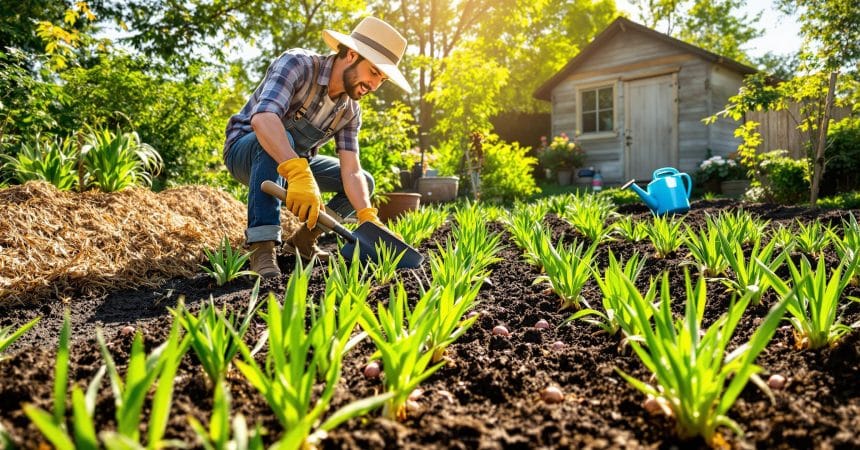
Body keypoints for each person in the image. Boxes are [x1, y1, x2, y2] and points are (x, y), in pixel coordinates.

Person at [223, 17, 411, 277]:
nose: (375, 85)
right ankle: (262, 247)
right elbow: (263, 119)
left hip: (295, 164)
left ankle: (302, 243)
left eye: (383, 79)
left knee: (364, 182)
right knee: (281, 138)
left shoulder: (349, 111)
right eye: (374, 72)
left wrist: (367, 215)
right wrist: (298, 172)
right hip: (246, 150)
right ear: (352, 55)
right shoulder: (298, 64)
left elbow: (351, 171)